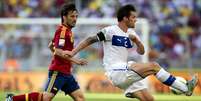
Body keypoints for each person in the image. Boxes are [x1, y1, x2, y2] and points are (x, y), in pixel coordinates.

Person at [65, 4, 198, 101]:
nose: (136, 20)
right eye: (133, 17)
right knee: (154, 66)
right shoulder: (110, 31)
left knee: (149, 99)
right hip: (116, 70)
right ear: (125, 18)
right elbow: (90, 39)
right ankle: (185, 89)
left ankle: (183, 88)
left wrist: (137, 41)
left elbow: (142, 52)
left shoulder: (131, 33)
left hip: (125, 71)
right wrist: (73, 52)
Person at [6, 3, 87, 101]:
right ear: (64, 17)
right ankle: (12, 99)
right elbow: (57, 51)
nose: (75, 19)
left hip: (67, 72)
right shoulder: (62, 31)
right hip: (58, 72)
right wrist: (76, 61)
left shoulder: (68, 31)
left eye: (76, 16)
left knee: (80, 98)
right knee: (46, 98)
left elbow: (50, 45)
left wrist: (63, 56)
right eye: (72, 16)